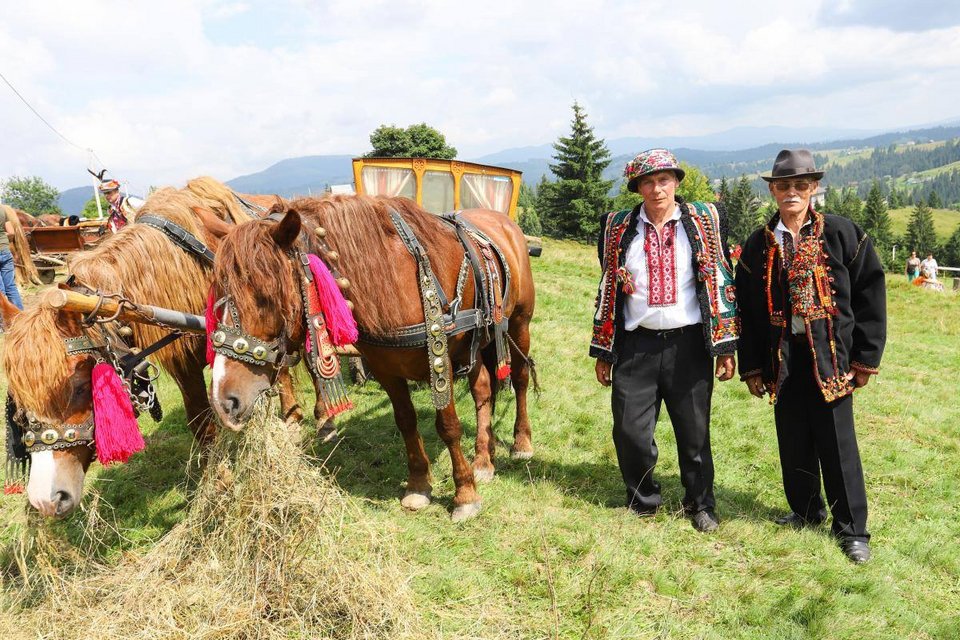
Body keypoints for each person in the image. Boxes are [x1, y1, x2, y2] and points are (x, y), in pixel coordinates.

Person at [735, 149, 886, 564]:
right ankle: (806, 511)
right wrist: (752, 366)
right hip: (783, 360)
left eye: (800, 185)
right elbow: (746, 309)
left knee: (838, 444)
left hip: (832, 359)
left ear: (813, 188)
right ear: (772, 190)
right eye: (783, 186)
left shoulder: (842, 233)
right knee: (794, 439)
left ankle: (852, 530)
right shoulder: (758, 244)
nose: (792, 193)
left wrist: (865, 359)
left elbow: (871, 295)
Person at [591, 149, 739, 533]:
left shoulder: (703, 221)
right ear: (637, 187)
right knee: (629, 430)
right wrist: (604, 349)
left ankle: (700, 504)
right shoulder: (617, 227)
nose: (657, 189)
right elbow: (608, 286)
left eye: (664, 180)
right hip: (635, 345)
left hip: (688, 345)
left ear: (676, 182)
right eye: (648, 182)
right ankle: (642, 500)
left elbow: (721, 277)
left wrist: (724, 347)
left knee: (694, 431)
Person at [0, 204, 24, 311]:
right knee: (11, 287)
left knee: (1, 291)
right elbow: (11, 233)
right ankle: (19, 315)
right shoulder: (2, 210)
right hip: (5, 251)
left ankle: (3, 321)